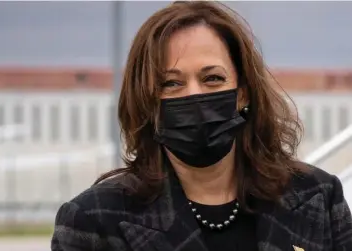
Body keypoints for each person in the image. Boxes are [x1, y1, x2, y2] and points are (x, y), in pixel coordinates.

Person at [51, 1, 352, 251]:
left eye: (212, 79)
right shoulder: (94, 220)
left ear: (242, 93)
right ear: (147, 101)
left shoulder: (319, 197)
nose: (194, 95)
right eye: (171, 83)